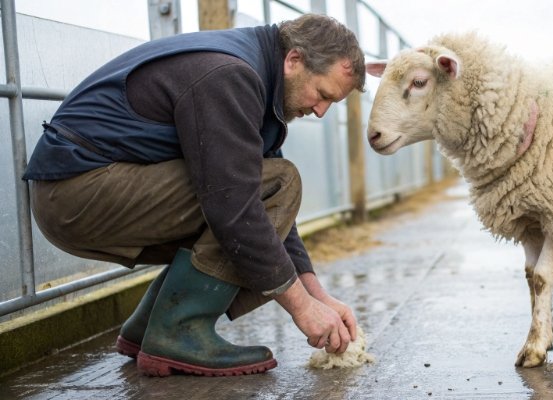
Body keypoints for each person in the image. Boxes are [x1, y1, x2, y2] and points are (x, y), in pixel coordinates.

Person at [22, 14, 365, 377]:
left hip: (84, 191)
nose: (320, 110)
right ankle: (177, 332)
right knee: (267, 191)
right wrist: (301, 309)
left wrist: (318, 296)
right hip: (78, 194)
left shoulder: (257, 78)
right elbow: (240, 209)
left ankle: (150, 327)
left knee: (264, 194)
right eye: (323, 94)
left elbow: (271, 213)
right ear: (293, 60)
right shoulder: (229, 74)